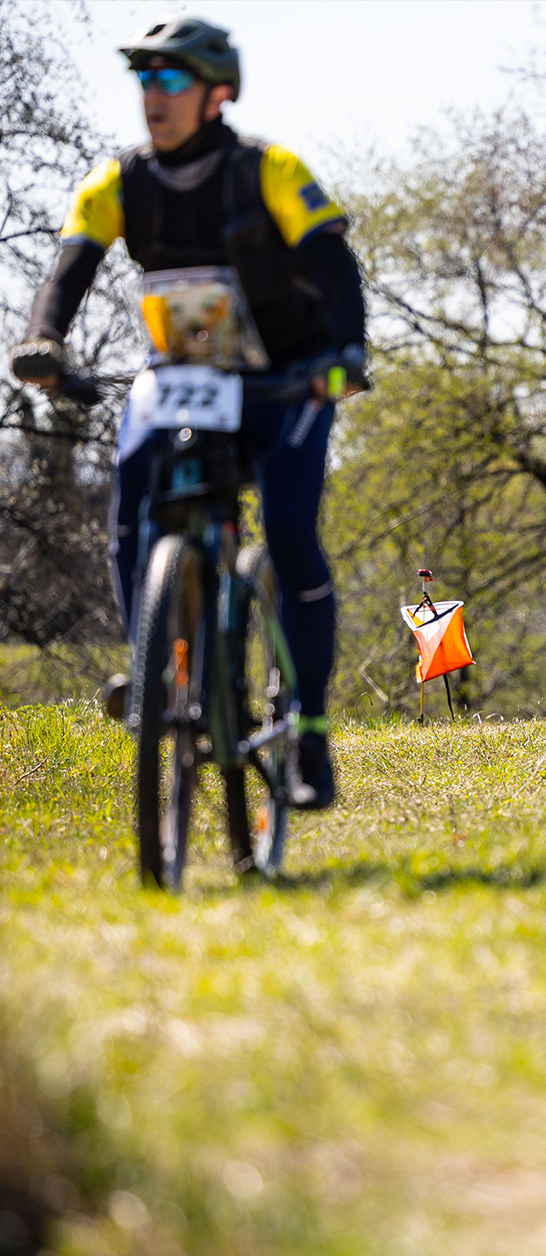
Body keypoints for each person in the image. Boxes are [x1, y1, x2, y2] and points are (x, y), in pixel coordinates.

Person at [10, 16, 367, 809]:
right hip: (184, 373)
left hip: (288, 377)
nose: (154, 95)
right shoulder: (118, 182)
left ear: (217, 94)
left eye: (171, 79)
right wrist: (44, 342)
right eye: (145, 79)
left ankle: (309, 730)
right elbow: (68, 273)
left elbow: (335, 267)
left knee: (290, 528)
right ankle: (158, 670)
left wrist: (345, 353)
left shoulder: (268, 169)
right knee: (131, 499)